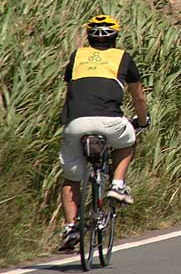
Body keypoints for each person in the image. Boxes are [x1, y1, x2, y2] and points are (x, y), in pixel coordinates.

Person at [58, 15, 149, 251]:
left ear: (88, 37)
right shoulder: (123, 58)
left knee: (71, 179)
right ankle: (117, 184)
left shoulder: (77, 56)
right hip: (110, 121)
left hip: (76, 122)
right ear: (115, 37)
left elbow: (71, 90)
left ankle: (70, 227)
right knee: (128, 140)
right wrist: (142, 120)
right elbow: (138, 96)